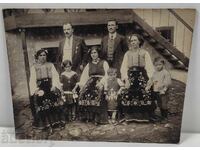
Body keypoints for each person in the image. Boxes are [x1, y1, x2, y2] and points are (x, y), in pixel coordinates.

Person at [120, 34, 156, 123]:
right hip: (131, 76)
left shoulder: (145, 53)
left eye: (135, 40)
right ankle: (130, 117)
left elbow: (149, 66)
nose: (133, 42)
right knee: (129, 94)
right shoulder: (127, 53)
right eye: (131, 41)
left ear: (139, 41)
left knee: (144, 93)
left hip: (141, 75)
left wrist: (150, 78)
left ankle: (144, 117)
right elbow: (124, 67)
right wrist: (126, 79)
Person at [29, 49, 63, 134]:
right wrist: (36, 90)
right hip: (40, 88)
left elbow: (55, 76)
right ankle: (46, 124)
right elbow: (32, 80)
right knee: (41, 98)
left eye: (44, 55)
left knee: (54, 96)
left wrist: (54, 86)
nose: (43, 57)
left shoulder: (50, 65)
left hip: (50, 86)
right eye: (40, 55)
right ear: (37, 57)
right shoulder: (34, 67)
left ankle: (56, 122)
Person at [77, 46, 109, 125]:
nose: (93, 55)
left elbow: (107, 75)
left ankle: (98, 118)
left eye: (95, 53)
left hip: (100, 82)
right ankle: (88, 117)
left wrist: (102, 83)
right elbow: (85, 76)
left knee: (97, 94)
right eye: (92, 53)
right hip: (90, 82)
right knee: (83, 94)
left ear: (98, 53)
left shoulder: (104, 62)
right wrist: (83, 86)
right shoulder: (89, 64)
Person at [145, 57, 172, 123]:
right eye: (156, 65)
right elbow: (151, 80)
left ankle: (164, 117)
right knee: (153, 102)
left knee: (163, 105)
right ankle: (152, 115)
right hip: (155, 91)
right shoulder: (155, 73)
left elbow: (167, 83)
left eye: (159, 65)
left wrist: (164, 90)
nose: (158, 66)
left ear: (163, 65)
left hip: (163, 92)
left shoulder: (165, 73)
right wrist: (148, 86)